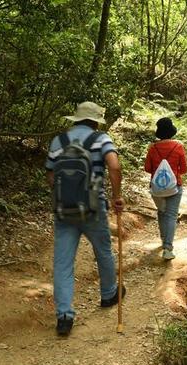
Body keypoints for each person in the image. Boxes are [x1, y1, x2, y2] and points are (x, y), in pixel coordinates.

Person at [45, 101, 125, 337]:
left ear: (77, 119)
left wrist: (65, 194)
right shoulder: (101, 139)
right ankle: (109, 293)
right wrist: (116, 196)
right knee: (103, 250)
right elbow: (114, 166)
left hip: (64, 210)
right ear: (95, 121)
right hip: (93, 208)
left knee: (63, 262)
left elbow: (50, 175)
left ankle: (64, 316)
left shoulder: (58, 141)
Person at [144, 117, 187, 260]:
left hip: (156, 188)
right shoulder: (178, 147)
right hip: (175, 186)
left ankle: (164, 240)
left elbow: (147, 168)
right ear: (171, 131)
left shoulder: (153, 148)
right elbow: (184, 170)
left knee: (162, 213)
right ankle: (167, 248)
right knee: (171, 215)